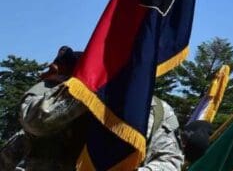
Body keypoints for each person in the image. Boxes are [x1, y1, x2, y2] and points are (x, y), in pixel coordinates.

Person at [17, 46, 184, 170]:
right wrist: (89, 89)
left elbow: (170, 161)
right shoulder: (56, 94)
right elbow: (35, 123)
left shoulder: (158, 110)